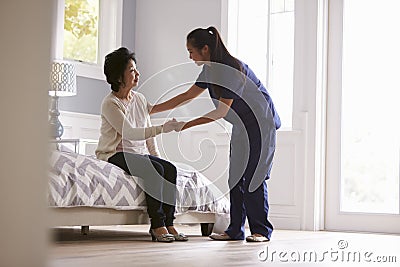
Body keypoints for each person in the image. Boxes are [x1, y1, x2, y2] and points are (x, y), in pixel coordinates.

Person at [149, 27, 281, 242]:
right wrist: (151, 109)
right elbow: (187, 96)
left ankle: (261, 231)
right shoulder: (209, 69)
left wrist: (185, 125)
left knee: (253, 178)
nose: (189, 56)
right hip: (241, 126)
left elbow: (221, 112)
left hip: (260, 125)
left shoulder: (231, 70)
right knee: (235, 178)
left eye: (191, 51)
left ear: (205, 49)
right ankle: (235, 230)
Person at [95, 47, 187, 242]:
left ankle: (170, 223)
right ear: (118, 76)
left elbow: (147, 134)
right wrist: (164, 128)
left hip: (138, 154)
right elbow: (129, 132)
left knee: (168, 169)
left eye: (136, 69)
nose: (137, 74)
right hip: (114, 154)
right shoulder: (110, 103)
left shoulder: (139, 99)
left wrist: (157, 156)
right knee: (152, 169)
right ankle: (157, 225)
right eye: (131, 70)